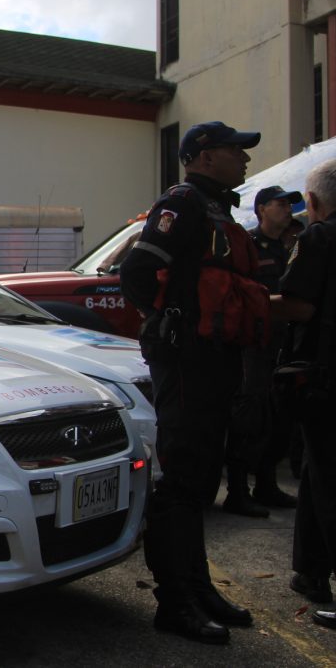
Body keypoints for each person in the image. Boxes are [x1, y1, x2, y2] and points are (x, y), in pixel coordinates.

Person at [120, 121, 263, 644]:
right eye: (235, 150)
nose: (244, 159)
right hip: (187, 357)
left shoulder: (216, 208)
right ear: (204, 156)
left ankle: (198, 586)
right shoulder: (181, 203)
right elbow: (135, 272)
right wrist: (168, 323)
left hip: (214, 356)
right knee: (181, 476)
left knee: (202, 474)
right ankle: (174, 601)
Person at [271, 157, 336, 629]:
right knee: (315, 474)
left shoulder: (319, 237)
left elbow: (298, 305)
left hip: (326, 376)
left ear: (311, 202)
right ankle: (311, 572)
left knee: (329, 479)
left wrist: (248, 302)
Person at [222, 186, 303, 517]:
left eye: (289, 204)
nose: (287, 210)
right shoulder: (249, 246)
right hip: (254, 346)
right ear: (261, 209)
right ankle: (238, 491)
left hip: (282, 345)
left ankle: (266, 484)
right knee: (250, 416)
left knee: (279, 417)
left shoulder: (290, 248)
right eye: (280, 204)